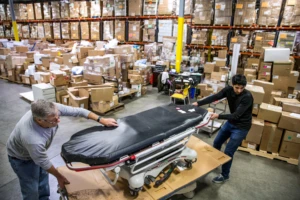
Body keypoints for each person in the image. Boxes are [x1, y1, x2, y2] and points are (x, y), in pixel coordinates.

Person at [6, 99, 118, 200]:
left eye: (58, 116)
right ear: (39, 120)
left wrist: (101, 119)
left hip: (36, 154)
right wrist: (59, 177)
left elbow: (78, 111)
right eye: (53, 120)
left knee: (43, 182)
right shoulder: (32, 138)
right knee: (31, 188)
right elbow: (43, 162)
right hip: (22, 159)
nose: (58, 121)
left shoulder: (52, 109)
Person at [192, 74, 253, 183]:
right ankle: (215, 162)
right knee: (217, 142)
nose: (239, 90)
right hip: (230, 123)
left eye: (242, 88)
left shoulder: (247, 97)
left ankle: (225, 175)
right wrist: (198, 103)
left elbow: (236, 115)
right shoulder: (228, 90)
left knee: (228, 151)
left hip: (241, 127)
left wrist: (218, 116)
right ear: (232, 85)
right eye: (237, 87)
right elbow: (214, 97)